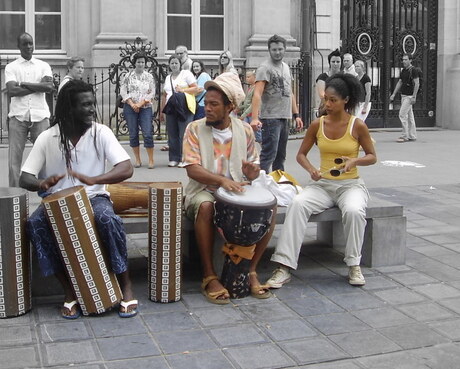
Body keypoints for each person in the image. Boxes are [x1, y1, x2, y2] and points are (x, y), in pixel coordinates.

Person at [19, 80, 138, 319]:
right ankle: (69, 291)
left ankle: (125, 286)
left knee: (108, 220)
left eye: (92, 103)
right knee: (35, 225)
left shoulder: (100, 132)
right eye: (85, 105)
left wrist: (96, 179)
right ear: (68, 108)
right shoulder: (48, 137)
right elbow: (25, 177)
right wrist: (41, 184)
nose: (92, 109)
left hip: (94, 198)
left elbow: (126, 168)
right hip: (57, 203)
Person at [265, 72, 377, 289]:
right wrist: (311, 171)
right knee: (297, 204)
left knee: (354, 210)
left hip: (350, 185)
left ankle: (353, 263)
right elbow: (300, 155)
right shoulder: (318, 124)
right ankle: (284, 266)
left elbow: (372, 157)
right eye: (326, 98)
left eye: (333, 100)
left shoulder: (357, 126)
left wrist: (354, 161)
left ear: (346, 101)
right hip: (323, 186)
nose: (327, 104)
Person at [182, 72, 274, 304]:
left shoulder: (244, 130)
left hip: (235, 192)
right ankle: (209, 275)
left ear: (229, 107)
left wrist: (252, 173)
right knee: (205, 206)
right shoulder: (194, 129)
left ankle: (251, 271)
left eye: (214, 104)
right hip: (203, 190)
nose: (208, 109)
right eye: (206, 103)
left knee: (270, 208)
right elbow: (192, 169)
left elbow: (252, 167)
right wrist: (222, 181)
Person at [5, 32, 54, 187]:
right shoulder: (11, 67)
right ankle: (14, 193)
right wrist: (37, 86)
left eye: (31, 43)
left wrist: (23, 84)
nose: (28, 47)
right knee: (14, 160)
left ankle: (46, 193)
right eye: (25, 44)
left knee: (45, 157)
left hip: (40, 116)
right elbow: (12, 91)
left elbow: (49, 87)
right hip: (18, 116)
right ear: (18, 46)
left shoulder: (43, 65)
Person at [251, 34, 304, 173]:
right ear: (269, 50)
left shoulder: (286, 67)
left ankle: (278, 182)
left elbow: (290, 92)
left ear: (285, 49)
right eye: (274, 49)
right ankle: (259, 181)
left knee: (281, 155)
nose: (277, 52)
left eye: (280, 49)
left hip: (284, 116)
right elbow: (257, 93)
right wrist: (255, 118)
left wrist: (296, 114)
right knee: (269, 153)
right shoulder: (265, 68)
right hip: (270, 117)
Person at [160, 55, 198, 167]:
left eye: (176, 63)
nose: (174, 65)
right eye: (172, 63)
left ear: (180, 64)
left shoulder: (186, 74)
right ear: (169, 65)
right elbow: (165, 94)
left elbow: (196, 88)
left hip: (184, 107)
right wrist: (162, 111)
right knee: (172, 133)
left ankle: (184, 158)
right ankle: (174, 158)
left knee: (183, 133)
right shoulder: (168, 78)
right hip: (171, 108)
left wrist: (182, 90)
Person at [120, 52, 155, 169]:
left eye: (143, 62)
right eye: (138, 62)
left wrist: (141, 103)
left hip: (145, 107)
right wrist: (131, 103)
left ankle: (150, 160)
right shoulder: (128, 76)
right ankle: (138, 159)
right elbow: (123, 91)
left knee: (147, 133)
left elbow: (152, 92)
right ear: (134, 63)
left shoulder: (149, 76)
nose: (141, 64)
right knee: (133, 133)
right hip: (130, 107)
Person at [389, 53, 420, 143]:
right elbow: (400, 82)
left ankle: (404, 135)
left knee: (402, 114)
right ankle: (412, 135)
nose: (404, 61)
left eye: (406, 59)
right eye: (403, 59)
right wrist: (393, 94)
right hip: (403, 95)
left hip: (409, 96)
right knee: (410, 116)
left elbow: (417, 83)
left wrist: (414, 96)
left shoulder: (413, 70)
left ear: (410, 60)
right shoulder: (403, 71)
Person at [316, 49, 342, 116]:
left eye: (338, 62)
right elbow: (322, 95)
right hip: (326, 108)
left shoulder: (344, 77)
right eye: (333, 62)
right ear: (329, 62)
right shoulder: (322, 77)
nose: (335, 64)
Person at [237, 69, 260, 142]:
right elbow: (247, 103)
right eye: (246, 77)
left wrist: (243, 114)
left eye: (249, 77)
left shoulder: (255, 88)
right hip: (247, 114)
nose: (246, 79)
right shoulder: (250, 88)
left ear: (254, 77)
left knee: (257, 134)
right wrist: (239, 108)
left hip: (252, 114)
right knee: (246, 133)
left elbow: (253, 104)